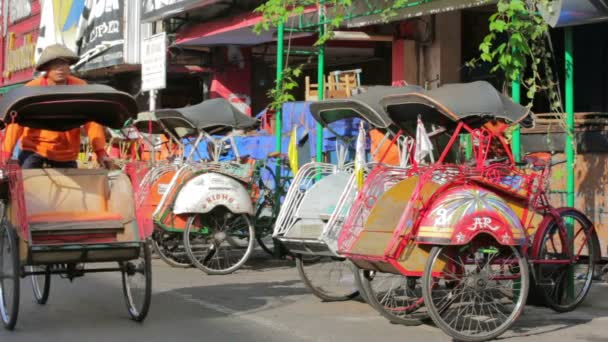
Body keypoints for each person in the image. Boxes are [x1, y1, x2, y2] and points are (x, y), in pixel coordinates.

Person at [1, 44, 113, 169]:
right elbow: (15, 123)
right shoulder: (31, 89)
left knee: (73, 188)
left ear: (69, 66)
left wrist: (100, 151)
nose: (60, 68)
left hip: (66, 152)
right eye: (55, 64)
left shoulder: (81, 87)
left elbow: (92, 121)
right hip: (34, 148)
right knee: (25, 185)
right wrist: (5, 153)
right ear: (47, 68)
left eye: (64, 63)